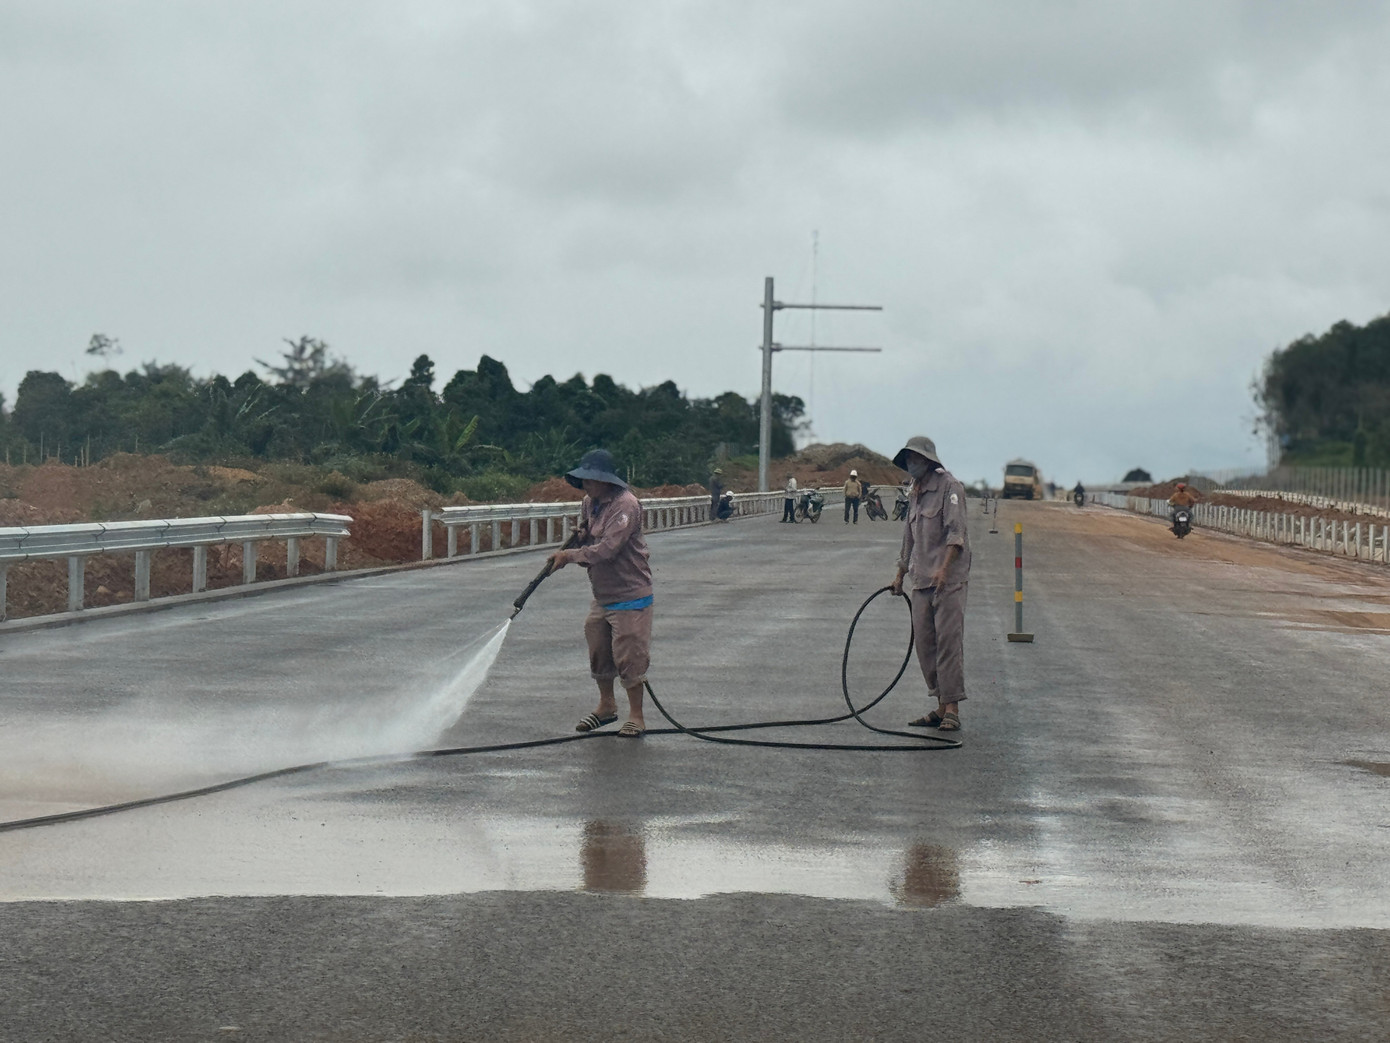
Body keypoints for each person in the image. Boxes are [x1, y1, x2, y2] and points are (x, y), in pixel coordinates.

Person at [548, 449, 653, 738]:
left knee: (629, 654)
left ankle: (636, 716)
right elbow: (593, 541)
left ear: (607, 481)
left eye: (592, 480)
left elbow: (608, 549)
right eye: (584, 480)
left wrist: (569, 556)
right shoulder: (589, 503)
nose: (587, 486)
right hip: (603, 593)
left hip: (630, 593)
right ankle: (606, 706)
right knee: (597, 643)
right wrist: (581, 539)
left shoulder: (626, 505)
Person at [889, 436, 970, 732]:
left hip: (947, 581)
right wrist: (900, 573)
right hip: (921, 579)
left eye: (915, 459)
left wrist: (944, 569)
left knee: (948, 642)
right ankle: (939, 703)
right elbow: (908, 537)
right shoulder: (915, 492)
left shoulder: (950, 488)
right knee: (925, 644)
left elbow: (956, 534)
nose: (911, 464)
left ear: (928, 460)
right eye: (907, 459)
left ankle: (952, 708)